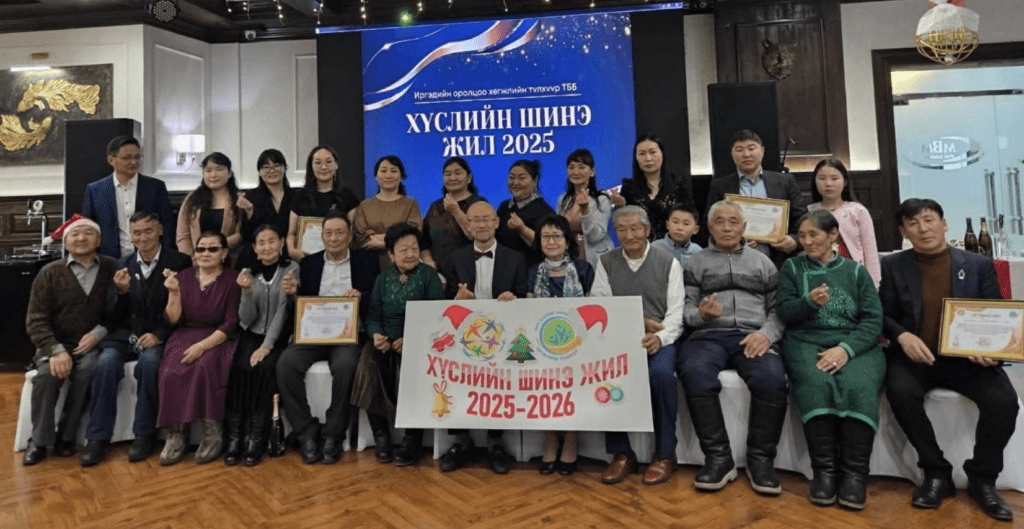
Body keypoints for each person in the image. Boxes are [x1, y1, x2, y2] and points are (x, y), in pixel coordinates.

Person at [881, 198, 1017, 522]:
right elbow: (882, 314)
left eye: (929, 220)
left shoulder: (977, 264)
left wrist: (991, 351)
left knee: (1004, 401)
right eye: (913, 223)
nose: (923, 229)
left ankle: (982, 479)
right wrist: (901, 335)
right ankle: (936, 473)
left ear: (944, 224)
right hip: (917, 358)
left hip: (967, 360)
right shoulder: (893, 265)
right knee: (900, 392)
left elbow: (996, 313)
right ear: (903, 231)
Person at [677, 200, 789, 495]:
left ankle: (761, 461)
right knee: (694, 371)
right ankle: (718, 459)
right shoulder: (696, 263)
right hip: (707, 336)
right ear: (709, 227)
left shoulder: (763, 263)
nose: (727, 227)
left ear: (744, 228)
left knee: (772, 380)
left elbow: (779, 310)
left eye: (733, 222)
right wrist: (701, 315)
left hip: (752, 335)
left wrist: (766, 334)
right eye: (720, 222)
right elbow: (685, 310)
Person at [776, 210, 885, 510]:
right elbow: (784, 312)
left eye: (814, 234)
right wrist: (808, 302)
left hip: (854, 344)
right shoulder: (791, 268)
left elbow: (873, 320)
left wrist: (846, 349)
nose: (807, 241)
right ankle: (824, 471)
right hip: (805, 342)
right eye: (802, 235)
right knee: (815, 382)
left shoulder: (855, 272)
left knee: (859, 384)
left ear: (833, 235)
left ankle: (854, 475)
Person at [80, 211, 191, 467]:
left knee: (150, 365)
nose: (142, 238)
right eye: (136, 233)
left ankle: (145, 433)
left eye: (148, 231)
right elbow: (111, 315)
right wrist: (121, 293)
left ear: (160, 230)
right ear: (130, 235)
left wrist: (159, 334)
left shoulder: (180, 262)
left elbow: (183, 309)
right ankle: (97, 437)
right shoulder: (121, 264)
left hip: (157, 335)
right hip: (122, 338)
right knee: (105, 364)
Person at [277, 211, 380, 464]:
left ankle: (333, 433)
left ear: (349, 236)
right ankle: (307, 432)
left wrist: (362, 297)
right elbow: (301, 305)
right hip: (312, 334)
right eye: (328, 233)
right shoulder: (309, 263)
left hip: (348, 334)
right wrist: (293, 294)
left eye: (340, 233)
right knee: (285, 366)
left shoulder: (366, 262)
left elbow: (376, 299)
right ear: (321, 236)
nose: (334, 238)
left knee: (346, 367)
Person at [593, 206, 684, 486]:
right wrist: (636, 323)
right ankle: (622, 453)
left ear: (647, 230)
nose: (629, 234)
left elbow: (676, 313)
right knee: (608, 376)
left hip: (661, 338)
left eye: (635, 228)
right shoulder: (605, 262)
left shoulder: (668, 262)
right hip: (620, 337)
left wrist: (659, 337)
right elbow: (602, 306)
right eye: (622, 229)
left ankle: (665, 453)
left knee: (660, 376)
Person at [440, 201, 526, 474]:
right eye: (475, 220)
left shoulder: (516, 258)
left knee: (503, 369)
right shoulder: (455, 258)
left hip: (504, 339)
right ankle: (460, 440)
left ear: (496, 223)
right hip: (465, 339)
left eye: (486, 219)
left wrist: (514, 300)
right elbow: (444, 305)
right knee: (449, 370)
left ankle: (495, 442)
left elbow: (526, 300)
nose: (481, 225)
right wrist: (458, 299)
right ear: (467, 225)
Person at [23, 216, 116, 466]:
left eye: (88, 233)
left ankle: (66, 436)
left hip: (91, 347)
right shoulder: (49, 273)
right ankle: (39, 440)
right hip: (54, 345)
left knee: (87, 372)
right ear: (65, 241)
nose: (82, 238)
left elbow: (121, 311)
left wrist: (99, 333)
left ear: (98, 240)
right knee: (45, 377)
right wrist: (55, 350)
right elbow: (36, 320)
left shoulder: (113, 268)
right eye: (75, 234)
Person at [352, 223, 444, 467]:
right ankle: (381, 436)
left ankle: (412, 439)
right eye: (403, 249)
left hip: (419, 340)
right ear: (391, 254)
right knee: (367, 364)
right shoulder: (383, 279)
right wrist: (376, 335)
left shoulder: (429, 276)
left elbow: (437, 316)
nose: (411, 253)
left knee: (415, 366)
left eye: (414, 248)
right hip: (386, 341)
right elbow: (373, 316)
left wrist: (412, 339)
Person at [158, 231, 241, 466]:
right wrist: (173, 293)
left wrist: (202, 347)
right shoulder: (182, 278)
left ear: (224, 253)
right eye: (200, 249)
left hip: (218, 337)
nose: (205, 254)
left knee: (204, 367)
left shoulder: (233, 280)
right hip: (184, 334)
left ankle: (212, 434)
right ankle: (175, 435)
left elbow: (231, 323)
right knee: (171, 370)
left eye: (213, 249)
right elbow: (173, 319)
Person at [224, 225, 299, 466]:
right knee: (240, 368)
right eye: (261, 243)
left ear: (280, 243)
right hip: (251, 334)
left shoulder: (291, 269)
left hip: (280, 336)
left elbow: (282, 311)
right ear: (255, 249)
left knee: (265, 369)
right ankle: (235, 438)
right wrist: (245, 292)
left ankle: (257, 438)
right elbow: (246, 319)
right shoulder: (246, 273)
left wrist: (267, 346)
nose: (266, 247)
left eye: (271, 241)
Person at [525, 215, 594, 476]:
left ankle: (572, 438)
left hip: (577, 344)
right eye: (545, 236)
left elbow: (589, 310)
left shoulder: (585, 269)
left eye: (557, 236)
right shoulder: (532, 271)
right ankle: (550, 436)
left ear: (567, 241)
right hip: (541, 343)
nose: (551, 241)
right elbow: (529, 309)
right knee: (544, 385)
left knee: (574, 384)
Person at [706, 129, 807, 269]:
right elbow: (709, 223)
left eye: (751, 148)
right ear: (732, 154)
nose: (746, 154)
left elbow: (803, 219)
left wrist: (795, 241)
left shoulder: (785, 181)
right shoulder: (720, 186)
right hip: (734, 260)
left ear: (762, 151)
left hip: (778, 257)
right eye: (739, 149)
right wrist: (732, 241)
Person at [81, 135, 175, 258]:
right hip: (109, 260)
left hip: (150, 258)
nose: (134, 162)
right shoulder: (95, 190)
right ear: (111, 160)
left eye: (137, 157)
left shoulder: (155, 187)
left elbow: (167, 223)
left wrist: (166, 255)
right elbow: (88, 226)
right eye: (127, 158)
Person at [807, 158, 880, 288]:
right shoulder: (809, 212)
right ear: (815, 182)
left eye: (834, 178)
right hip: (818, 279)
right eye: (822, 178)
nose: (828, 183)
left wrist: (873, 284)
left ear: (845, 182)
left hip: (853, 277)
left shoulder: (857, 211)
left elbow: (870, 251)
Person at [609, 134, 694, 241]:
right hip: (640, 247)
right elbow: (623, 223)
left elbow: (689, 216)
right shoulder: (629, 187)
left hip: (674, 246)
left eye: (653, 152)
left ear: (662, 153)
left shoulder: (679, 183)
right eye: (642, 154)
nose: (648, 158)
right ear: (636, 158)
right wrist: (621, 206)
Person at [286, 145, 361, 261]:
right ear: (311, 167)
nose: (324, 167)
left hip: (339, 259)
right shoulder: (300, 196)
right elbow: (291, 233)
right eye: (318, 163)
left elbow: (353, 232)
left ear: (336, 165)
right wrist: (292, 251)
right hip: (307, 260)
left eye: (328, 162)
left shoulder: (348, 196)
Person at [352, 155, 423, 270]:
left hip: (404, 266)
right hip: (370, 266)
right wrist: (395, 239)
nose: (388, 175)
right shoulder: (365, 206)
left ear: (401, 176)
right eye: (383, 171)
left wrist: (382, 242)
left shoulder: (411, 204)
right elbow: (361, 237)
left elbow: (413, 233)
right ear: (376, 176)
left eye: (394, 171)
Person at [420, 156, 487, 271]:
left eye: (457, 173)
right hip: (439, 274)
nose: (452, 178)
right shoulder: (435, 206)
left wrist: (456, 211)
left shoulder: (479, 204)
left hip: (472, 271)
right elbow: (424, 240)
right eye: (448, 174)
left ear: (469, 178)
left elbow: (476, 235)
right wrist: (428, 261)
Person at [176, 152, 243, 261]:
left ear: (229, 173)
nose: (213, 175)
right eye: (208, 170)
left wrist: (215, 248)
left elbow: (241, 234)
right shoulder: (192, 198)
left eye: (219, 169)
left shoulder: (239, 199)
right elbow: (183, 235)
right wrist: (192, 259)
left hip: (230, 261)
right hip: (196, 263)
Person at [235, 149, 294, 270]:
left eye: (276, 166)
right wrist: (249, 212)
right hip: (258, 255)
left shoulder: (296, 196)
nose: (271, 170)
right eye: (266, 167)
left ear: (284, 168)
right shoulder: (250, 197)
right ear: (259, 172)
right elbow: (246, 235)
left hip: (288, 252)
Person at [556, 148, 614, 268]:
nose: (575, 172)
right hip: (569, 260)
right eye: (571, 167)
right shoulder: (563, 200)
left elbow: (595, 237)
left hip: (596, 261)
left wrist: (585, 210)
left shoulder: (602, 199)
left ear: (592, 171)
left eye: (581, 167)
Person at [496, 159, 555, 258]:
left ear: (534, 180)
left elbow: (549, 246)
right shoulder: (504, 206)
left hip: (530, 269)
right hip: (504, 268)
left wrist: (522, 229)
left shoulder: (544, 211)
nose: (515, 182)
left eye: (522, 178)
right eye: (511, 178)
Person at [650, 203, 702, 269]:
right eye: (675, 222)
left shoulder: (698, 251)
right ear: (668, 225)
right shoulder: (655, 248)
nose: (679, 228)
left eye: (686, 224)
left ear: (695, 229)